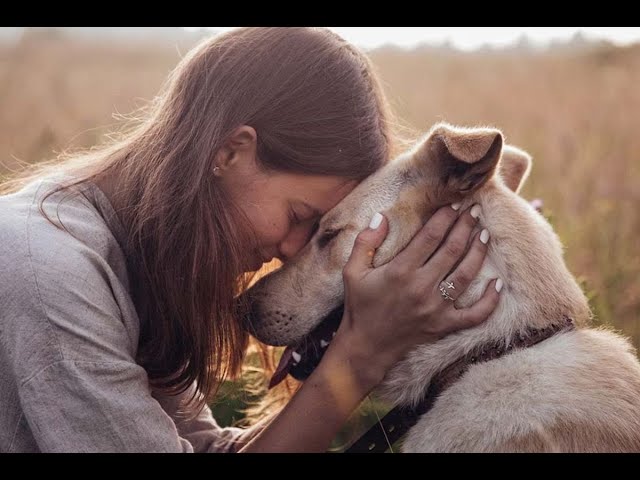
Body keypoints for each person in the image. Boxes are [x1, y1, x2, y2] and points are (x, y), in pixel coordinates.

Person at [0, 27, 501, 453]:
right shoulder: (50, 273)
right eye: (299, 215)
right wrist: (361, 354)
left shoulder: (138, 257)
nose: (292, 249)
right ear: (232, 151)